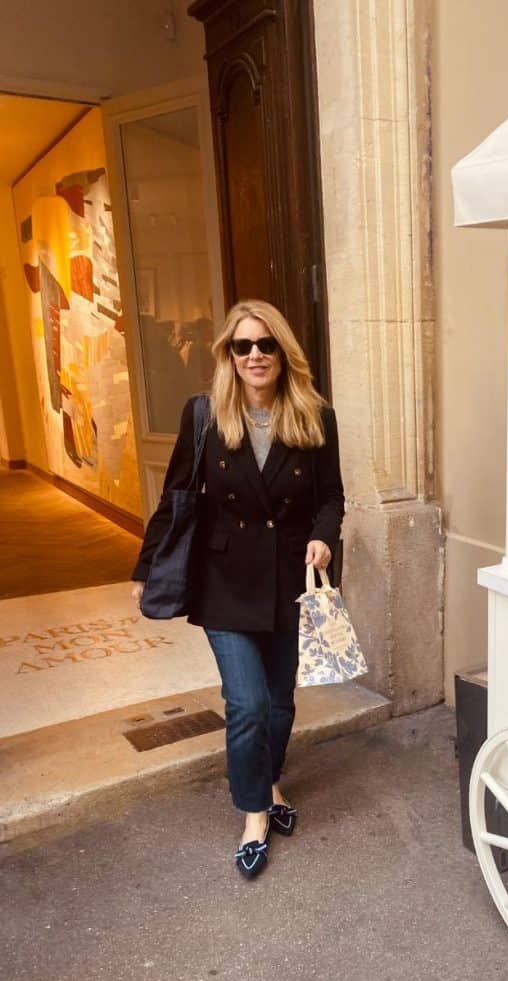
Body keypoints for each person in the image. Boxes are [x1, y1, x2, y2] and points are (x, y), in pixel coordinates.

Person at [131, 299, 344, 879]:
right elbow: (175, 495)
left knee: (279, 702)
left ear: (282, 353)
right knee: (247, 703)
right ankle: (254, 812)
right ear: (228, 353)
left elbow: (331, 497)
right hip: (223, 581)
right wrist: (147, 567)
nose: (255, 355)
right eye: (243, 346)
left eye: (266, 345)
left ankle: (270, 782)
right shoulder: (203, 413)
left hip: (287, 580)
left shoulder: (314, 415)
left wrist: (324, 538)